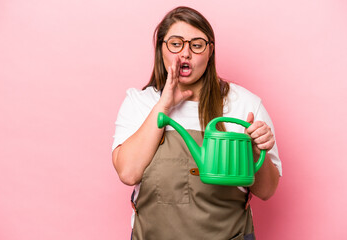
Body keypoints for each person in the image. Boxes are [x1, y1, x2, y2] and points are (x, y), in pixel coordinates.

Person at [112, 6, 281, 240]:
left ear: (210, 51)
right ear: (161, 48)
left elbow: (267, 191)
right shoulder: (139, 103)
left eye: (197, 45)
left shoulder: (245, 105)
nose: (185, 53)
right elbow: (128, 173)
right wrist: (163, 106)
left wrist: (254, 151)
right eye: (175, 43)